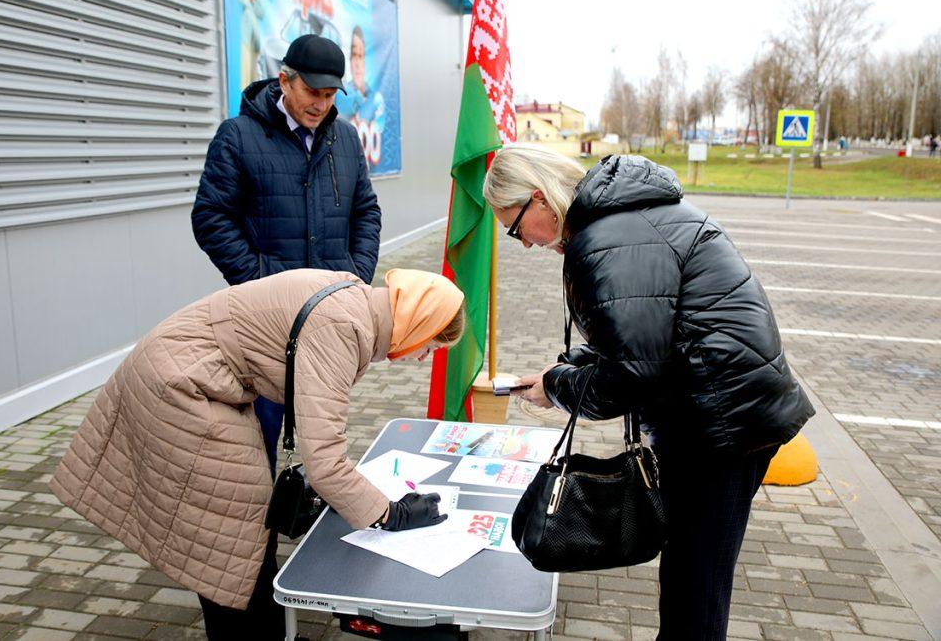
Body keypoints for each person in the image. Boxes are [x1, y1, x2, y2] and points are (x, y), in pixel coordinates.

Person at [481, 145, 815, 641]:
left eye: (515, 228)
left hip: (723, 428)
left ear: (540, 199)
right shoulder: (624, 217)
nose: (524, 244)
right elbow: (643, 339)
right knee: (689, 577)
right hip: (725, 415)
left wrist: (557, 387)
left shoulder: (605, 238)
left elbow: (632, 376)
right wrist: (564, 370)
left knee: (694, 590)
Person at [50, 268, 465, 639]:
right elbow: (324, 463)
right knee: (230, 523)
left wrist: (359, 499)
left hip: (194, 373)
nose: (422, 359)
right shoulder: (342, 327)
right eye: (428, 346)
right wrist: (391, 514)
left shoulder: (355, 301)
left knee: (241, 519)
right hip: (180, 386)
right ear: (415, 324)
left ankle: (265, 628)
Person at [193, 33, 383, 480]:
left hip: (330, 318)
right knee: (258, 443)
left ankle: (313, 514)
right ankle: (256, 545)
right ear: (284, 81)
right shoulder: (238, 138)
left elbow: (367, 212)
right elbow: (211, 217)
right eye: (312, 92)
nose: (321, 104)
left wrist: (355, 277)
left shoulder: (346, 140)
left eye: (330, 94)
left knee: (323, 433)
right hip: (266, 322)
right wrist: (258, 279)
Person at [339, 25, 386, 168]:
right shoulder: (339, 94)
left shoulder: (376, 99)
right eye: (354, 55)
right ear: (349, 60)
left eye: (361, 56)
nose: (358, 63)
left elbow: (378, 127)